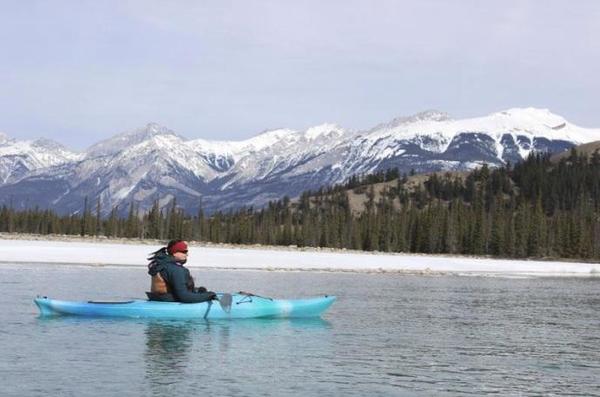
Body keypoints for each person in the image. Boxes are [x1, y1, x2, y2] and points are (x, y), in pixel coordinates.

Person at [147, 240, 217, 303]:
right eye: (184, 252)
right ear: (174, 253)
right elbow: (184, 297)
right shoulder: (175, 269)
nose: (187, 254)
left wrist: (199, 292)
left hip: (159, 299)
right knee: (205, 293)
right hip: (167, 301)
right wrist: (209, 295)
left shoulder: (163, 264)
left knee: (201, 290)